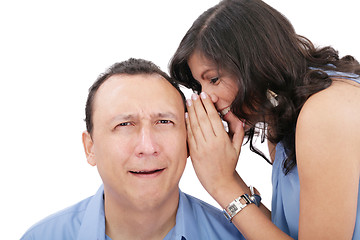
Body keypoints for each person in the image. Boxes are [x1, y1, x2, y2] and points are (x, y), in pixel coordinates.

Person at [170, 0, 360, 239]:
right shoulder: (282, 117)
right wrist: (227, 177)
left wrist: (221, 184)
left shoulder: (325, 112)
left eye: (214, 79)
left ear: (254, 63)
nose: (208, 98)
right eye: (200, 85)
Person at [21, 58, 245, 240]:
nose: (148, 147)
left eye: (164, 122)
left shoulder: (239, 235)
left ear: (189, 138)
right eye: (124, 125)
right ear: (90, 148)